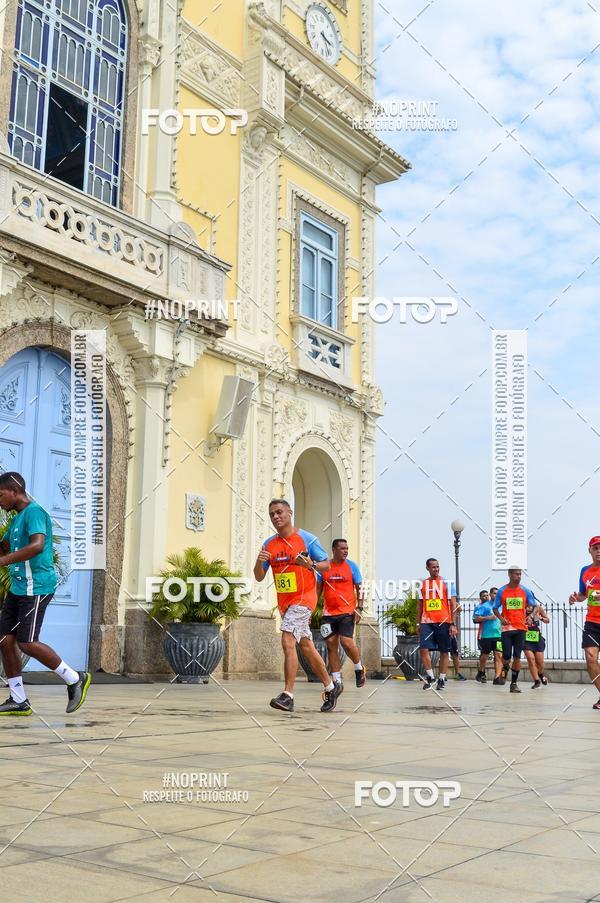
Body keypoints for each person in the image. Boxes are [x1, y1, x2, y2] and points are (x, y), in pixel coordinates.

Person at [0, 472, 91, 715]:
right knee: (4, 639)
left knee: (27, 641)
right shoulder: (17, 519)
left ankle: (75, 678)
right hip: (19, 587)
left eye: (0, 495)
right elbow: (5, 546)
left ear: (15, 490)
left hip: (37, 587)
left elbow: (37, 545)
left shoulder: (35, 512)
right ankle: (18, 699)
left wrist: (4, 560)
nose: (0, 501)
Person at [254, 499, 339, 713]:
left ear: (290, 512)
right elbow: (259, 576)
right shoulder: (269, 544)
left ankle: (288, 695)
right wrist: (259, 560)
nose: (276, 517)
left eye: (280, 512)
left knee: (287, 640)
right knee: (306, 645)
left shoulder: (306, 539)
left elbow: (326, 564)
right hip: (286, 603)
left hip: (304, 598)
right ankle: (330, 687)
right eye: (272, 514)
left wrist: (310, 564)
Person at [317, 539, 366, 692]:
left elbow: (360, 588)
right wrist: (310, 608)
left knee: (346, 642)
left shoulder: (352, 566)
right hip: (328, 614)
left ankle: (359, 668)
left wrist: (359, 607)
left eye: (347, 548)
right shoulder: (324, 567)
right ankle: (336, 679)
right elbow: (318, 589)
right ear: (334, 550)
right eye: (342, 548)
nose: (345, 551)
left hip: (347, 612)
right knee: (331, 644)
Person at [569, 535, 600, 710]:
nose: (599, 551)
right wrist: (575, 597)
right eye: (596, 548)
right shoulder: (585, 571)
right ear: (590, 551)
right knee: (590, 658)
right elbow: (583, 594)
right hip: (592, 622)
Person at [493, 567, 535, 694]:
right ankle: (505, 667)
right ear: (509, 574)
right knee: (506, 655)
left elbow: (533, 605)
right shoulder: (502, 591)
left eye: (520, 574)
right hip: (507, 628)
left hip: (521, 628)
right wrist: (501, 618)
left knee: (517, 656)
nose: (519, 576)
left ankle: (514, 684)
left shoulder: (525, 590)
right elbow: (495, 608)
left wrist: (529, 616)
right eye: (516, 574)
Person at [417, 558, 457, 691]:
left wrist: (453, 624)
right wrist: (418, 623)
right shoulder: (422, 585)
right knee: (423, 649)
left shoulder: (447, 583)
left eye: (438, 567)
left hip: (443, 621)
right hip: (426, 622)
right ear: (427, 568)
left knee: (444, 651)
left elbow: (453, 604)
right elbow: (420, 605)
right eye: (433, 567)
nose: (436, 569)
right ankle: (430, 677)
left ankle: (441, 678)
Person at [473, 590, 503, 683]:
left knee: (498, 655)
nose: (496, 595)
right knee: (485, 655)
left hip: (499, 635)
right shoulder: (484, 606)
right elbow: (476, 618)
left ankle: (497, 677)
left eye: (497, 593)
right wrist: (489, 617)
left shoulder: (502, 606)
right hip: (486, 636)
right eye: (494, 593)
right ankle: (481, 671)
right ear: (491, 595)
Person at [524, 597, 549, 688]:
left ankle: (541, 674)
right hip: (525, 637)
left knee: (540, 662)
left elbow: (548, 620)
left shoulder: (538, 608)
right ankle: (536, 681)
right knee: (531, 659)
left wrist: (541, 618)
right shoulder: (521, 609)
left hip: (536, 636)